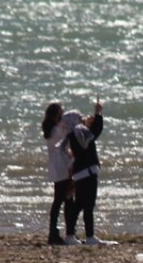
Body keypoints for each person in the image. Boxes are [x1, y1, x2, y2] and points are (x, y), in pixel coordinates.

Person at [64, 98, 111, 245]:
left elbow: (91, 134)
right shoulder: (80, 132)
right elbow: (95, 132)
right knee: (88, 206)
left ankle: (71, 235)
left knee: (79, 205)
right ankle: (89, 236)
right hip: (88, 173)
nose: (83, 119)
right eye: (80, 118)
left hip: (80, 174)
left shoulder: (73, 134)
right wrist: (98, 113)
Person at [41, 102, 75, 245]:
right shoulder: (56, 131)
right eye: (60, 114)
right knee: (64, 201)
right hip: (62, 169)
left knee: (61, 201)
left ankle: (62, 232)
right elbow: (70, 137)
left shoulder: (51, 131)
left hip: (58, 168)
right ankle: (63, 233)